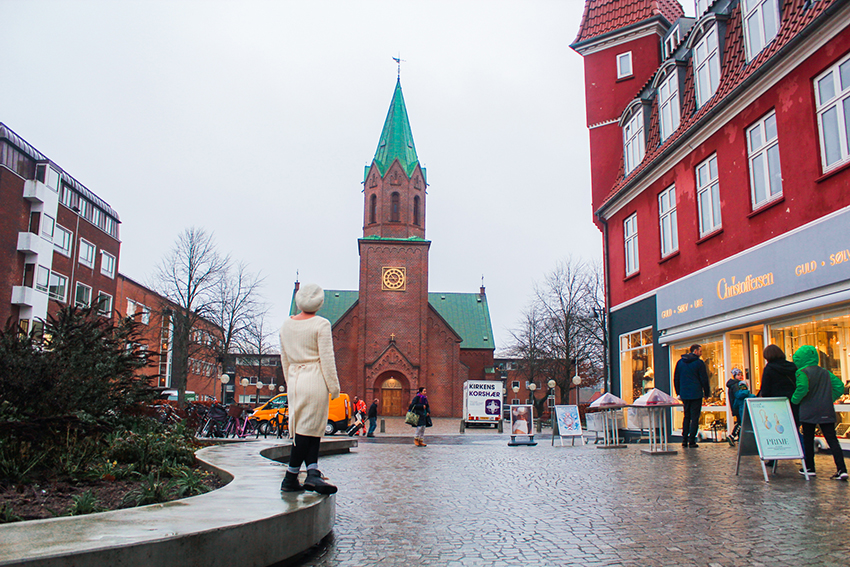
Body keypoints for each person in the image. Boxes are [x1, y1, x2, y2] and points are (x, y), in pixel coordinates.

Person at [278, 283, 340, 494]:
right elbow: (327, 359)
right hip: (314, 378)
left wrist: (290, 383)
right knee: (308, 431)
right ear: (320, 303)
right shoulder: (321, 324)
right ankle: (290, 477)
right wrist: (334, 388)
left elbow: (284, 359)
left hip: (295, 379)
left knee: (306, 429)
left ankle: (312, 473)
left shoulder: (286, 325)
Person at [791, 345, 848, 480]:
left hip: (808, 410)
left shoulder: (802, 372)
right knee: (832, 439)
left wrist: (794, 400)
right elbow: (839, 386)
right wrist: (828, 398)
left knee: (808, 439)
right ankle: (842, 469)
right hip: (825, 409)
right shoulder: (824, 372)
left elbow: (803, 388)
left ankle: (810, 468)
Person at [674, 344, 710, 448]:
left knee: (686, 416)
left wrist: (679, 392)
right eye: (700, 351)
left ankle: (684, 439)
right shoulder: (699, 363)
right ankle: (692, 440)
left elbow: (676, 378)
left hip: (685, 394)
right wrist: (706, 392)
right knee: (695, 417)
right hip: (696, 393)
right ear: (695, 351)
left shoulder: (680, 362)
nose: (701, 353)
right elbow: (704, 379)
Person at [726, 368, 745, 443]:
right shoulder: (736, 385)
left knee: (740, 421)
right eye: (738, 375)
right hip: (738, 406)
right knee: (740, 421)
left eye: (741, 375)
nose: (740, 376)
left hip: (736, 406)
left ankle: (740, 437)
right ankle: (732, 435)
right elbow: (739, 396)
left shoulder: (734, 385)